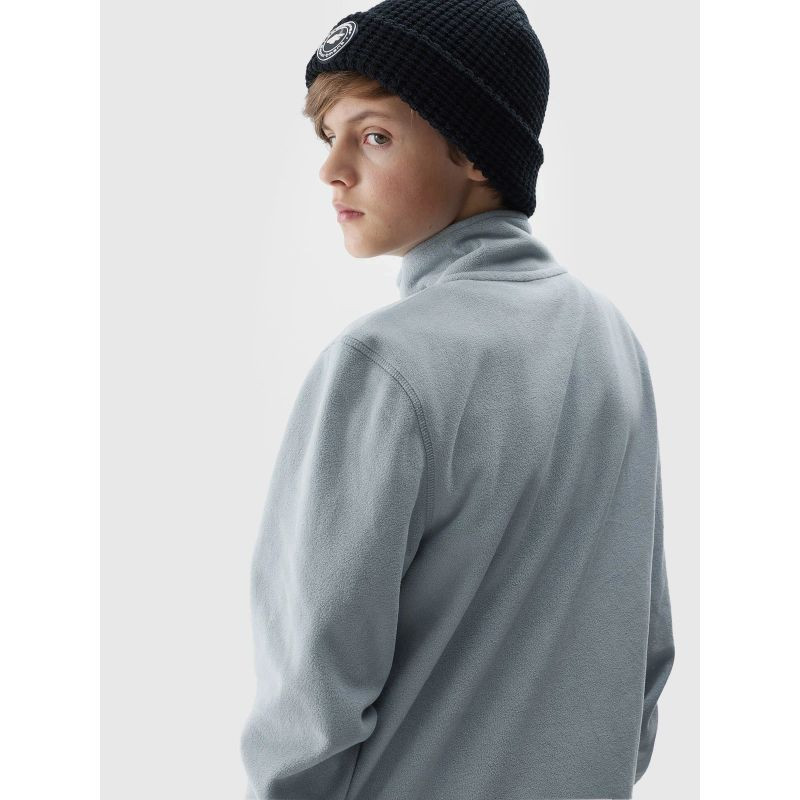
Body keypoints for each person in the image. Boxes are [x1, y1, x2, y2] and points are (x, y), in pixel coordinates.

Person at [239, 1, 676, 798]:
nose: (333, 169)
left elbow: (311, 699)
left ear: (474, 151)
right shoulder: (612, 341)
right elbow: (644, 656)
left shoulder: (381, 366)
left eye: (374, 136)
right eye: (328, 135)